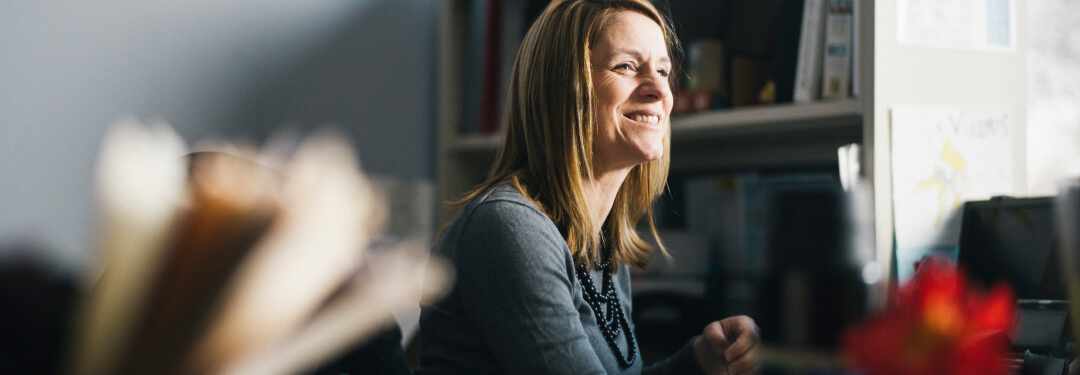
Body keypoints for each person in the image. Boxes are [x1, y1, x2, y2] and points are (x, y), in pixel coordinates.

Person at [416, 0, 760, 374]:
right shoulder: (509, 227)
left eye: (663, 70)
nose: (660, 90)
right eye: (627, 66)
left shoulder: (600, 246)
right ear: (563, 89)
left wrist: (697, 363)